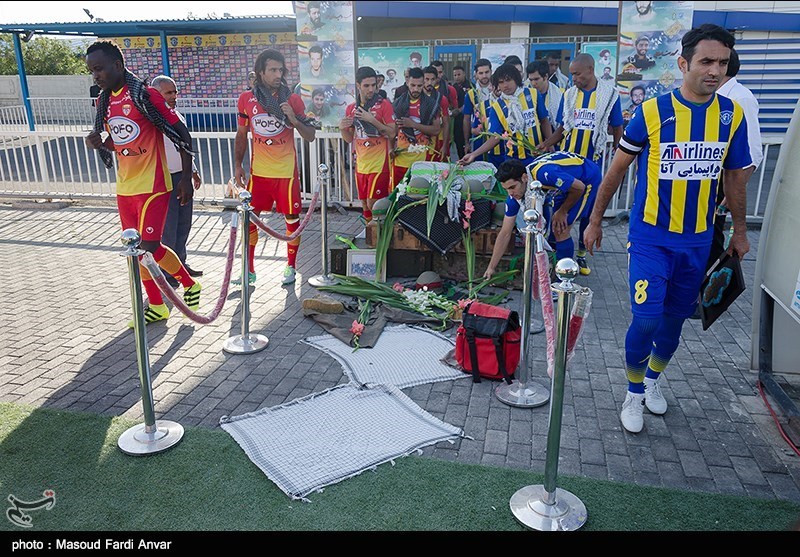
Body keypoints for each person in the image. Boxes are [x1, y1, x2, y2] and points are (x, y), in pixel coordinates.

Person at [582, 24, 752, 434]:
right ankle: (633, 392)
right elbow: (617, 171)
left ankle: (654, 381)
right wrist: (594, 220)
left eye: (722, 63)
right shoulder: (652, 112)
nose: (714, 70)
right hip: (649, 239)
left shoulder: (732, 115)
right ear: (683, 63)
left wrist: (741, 231)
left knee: (675, 324)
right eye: (706, 61)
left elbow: (734, 178)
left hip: (697, 242)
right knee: (645, 321)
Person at [84, 40, 201, 327]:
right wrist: (100, 142)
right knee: (137, 250)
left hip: (154, 184)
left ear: (117, 65)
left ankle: (186, 284)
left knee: (148, 245)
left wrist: (186, 176)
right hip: (125, 187)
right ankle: (160, 305)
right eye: (91, 71)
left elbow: (181, 132)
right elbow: (121, 141)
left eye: (99, 69)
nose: (96, 76)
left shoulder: (145, 94)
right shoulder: (104, 101)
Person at [689, 47, 763, 319]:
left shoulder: (740, 98)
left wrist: (732, 193)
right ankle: (694, 293)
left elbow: (753, 152)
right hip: (704, 181)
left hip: (722, 185)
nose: (711, 69)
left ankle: (706, 298)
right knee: (700, 236)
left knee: (713, 239)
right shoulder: (714, 96)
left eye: (716, 62)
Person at [234, 49, 317, 286]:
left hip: (285, 173)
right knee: (250, 220)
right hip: (258, 174)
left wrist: (293, 118)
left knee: (292, 220)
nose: (278, 74)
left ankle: (291, 267)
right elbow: (241, 134)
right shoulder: (246, 99)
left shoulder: (292, 99)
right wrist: (238, 165)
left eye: (281, 70)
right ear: (260, 72)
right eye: (272, 70)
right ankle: (248, 270)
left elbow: (310, 135)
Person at [536, 53, 624, 276]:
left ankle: (582, 255)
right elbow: (563, 128)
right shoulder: (569, 95)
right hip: (569, 164)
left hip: (591, 166)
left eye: (577, 73)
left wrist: (620, 155)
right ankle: (559, 251)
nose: (573, 78)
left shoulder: (610, 95)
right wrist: (547, 144)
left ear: (590, 70)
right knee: (560, 209)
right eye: (572, 74)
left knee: (587, 214)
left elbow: (617, 126)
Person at [483, 154, 600, 280]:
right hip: (566, 185)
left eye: (512, 187)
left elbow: (579, 187)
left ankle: (564, 281)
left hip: (586, 178)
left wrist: (563, 211)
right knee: (556, 227)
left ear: (524, 178)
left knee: (561, 228)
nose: (510, 193)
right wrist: (491, 267)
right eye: (506, 189)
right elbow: (505, 233)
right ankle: (558, 267)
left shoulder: (545, 174)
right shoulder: (514, 197)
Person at [151, 75, 203, 288]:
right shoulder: (152, 119)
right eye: (168, 93)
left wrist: (193, 171)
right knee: (169, 229)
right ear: (156, 94)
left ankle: (181, 264)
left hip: (182, 178)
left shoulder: (176, 116)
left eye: (175, 92)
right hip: (165, 180)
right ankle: (167, 272)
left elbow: (183, 147)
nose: (174, 96)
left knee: (184, 224)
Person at [459, 63, 551, 168]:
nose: (505, 85)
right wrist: (473, 154)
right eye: (501, 82)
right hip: (513, 159)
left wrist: (549, 143)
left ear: (516, 79)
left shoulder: (533, 94)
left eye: (508, 80)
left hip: (537, 155)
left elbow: (544, 120)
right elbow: (495, 137)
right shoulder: (496, 106)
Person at [340, 66, 397, 224]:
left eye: (374, 85)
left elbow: (392, 133)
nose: (371, 89)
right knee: (364, 203)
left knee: (375, 204)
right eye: (366, 85)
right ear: (358, 85)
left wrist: (371, 120)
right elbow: (348, 138)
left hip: (379, 164)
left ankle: (381, 239)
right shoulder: (351, 108)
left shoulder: (384, 104)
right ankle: (370, 237)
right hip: (361, 164)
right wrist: (342, 128)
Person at [392, 67, 441, 187]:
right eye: (413, 85)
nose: (416, 89)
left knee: (419, 196)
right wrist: (390, 148)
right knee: (398, 196)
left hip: (421, 160)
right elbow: (392, 131)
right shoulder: (397, 104)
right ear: (407, 82)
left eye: (419, 86)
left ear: (423, 83)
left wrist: (413, 124)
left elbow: (436, 130)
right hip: (400, 159)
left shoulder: (431, 104)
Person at [462, 58, 503, 168]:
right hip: (479, 141)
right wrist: (467, 141)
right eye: (481, 73)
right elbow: (466, 118)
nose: (484, 76)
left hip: (500, 141)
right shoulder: (471, 94)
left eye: (487, 72)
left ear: (491, 72)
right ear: (476, 75)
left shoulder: (500, 90)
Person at [423, 65, 450, 162]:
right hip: (420, 142)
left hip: (438, 141)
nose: (429, 82)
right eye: (427, 79)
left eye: (432, 79)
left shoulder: (441, 99)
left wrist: (445, 145)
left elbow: (446, 123)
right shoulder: (415, 98)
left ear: (437, 80)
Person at [527, 60, 562, 125]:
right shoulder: (525, 91)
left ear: (545, 77)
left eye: (536, 79)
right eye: (531, 80)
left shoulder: (557, 94)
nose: (533, 83)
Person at [451, 64, 470, 159]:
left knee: (468, 144)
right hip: (457, 121)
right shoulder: (452, 88)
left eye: (459, 74)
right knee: (458, 142)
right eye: (455, 75)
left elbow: (471, 104)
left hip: (468, 120)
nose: (457, 77)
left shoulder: (470, 87)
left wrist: (460, 110)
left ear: (464, 74)